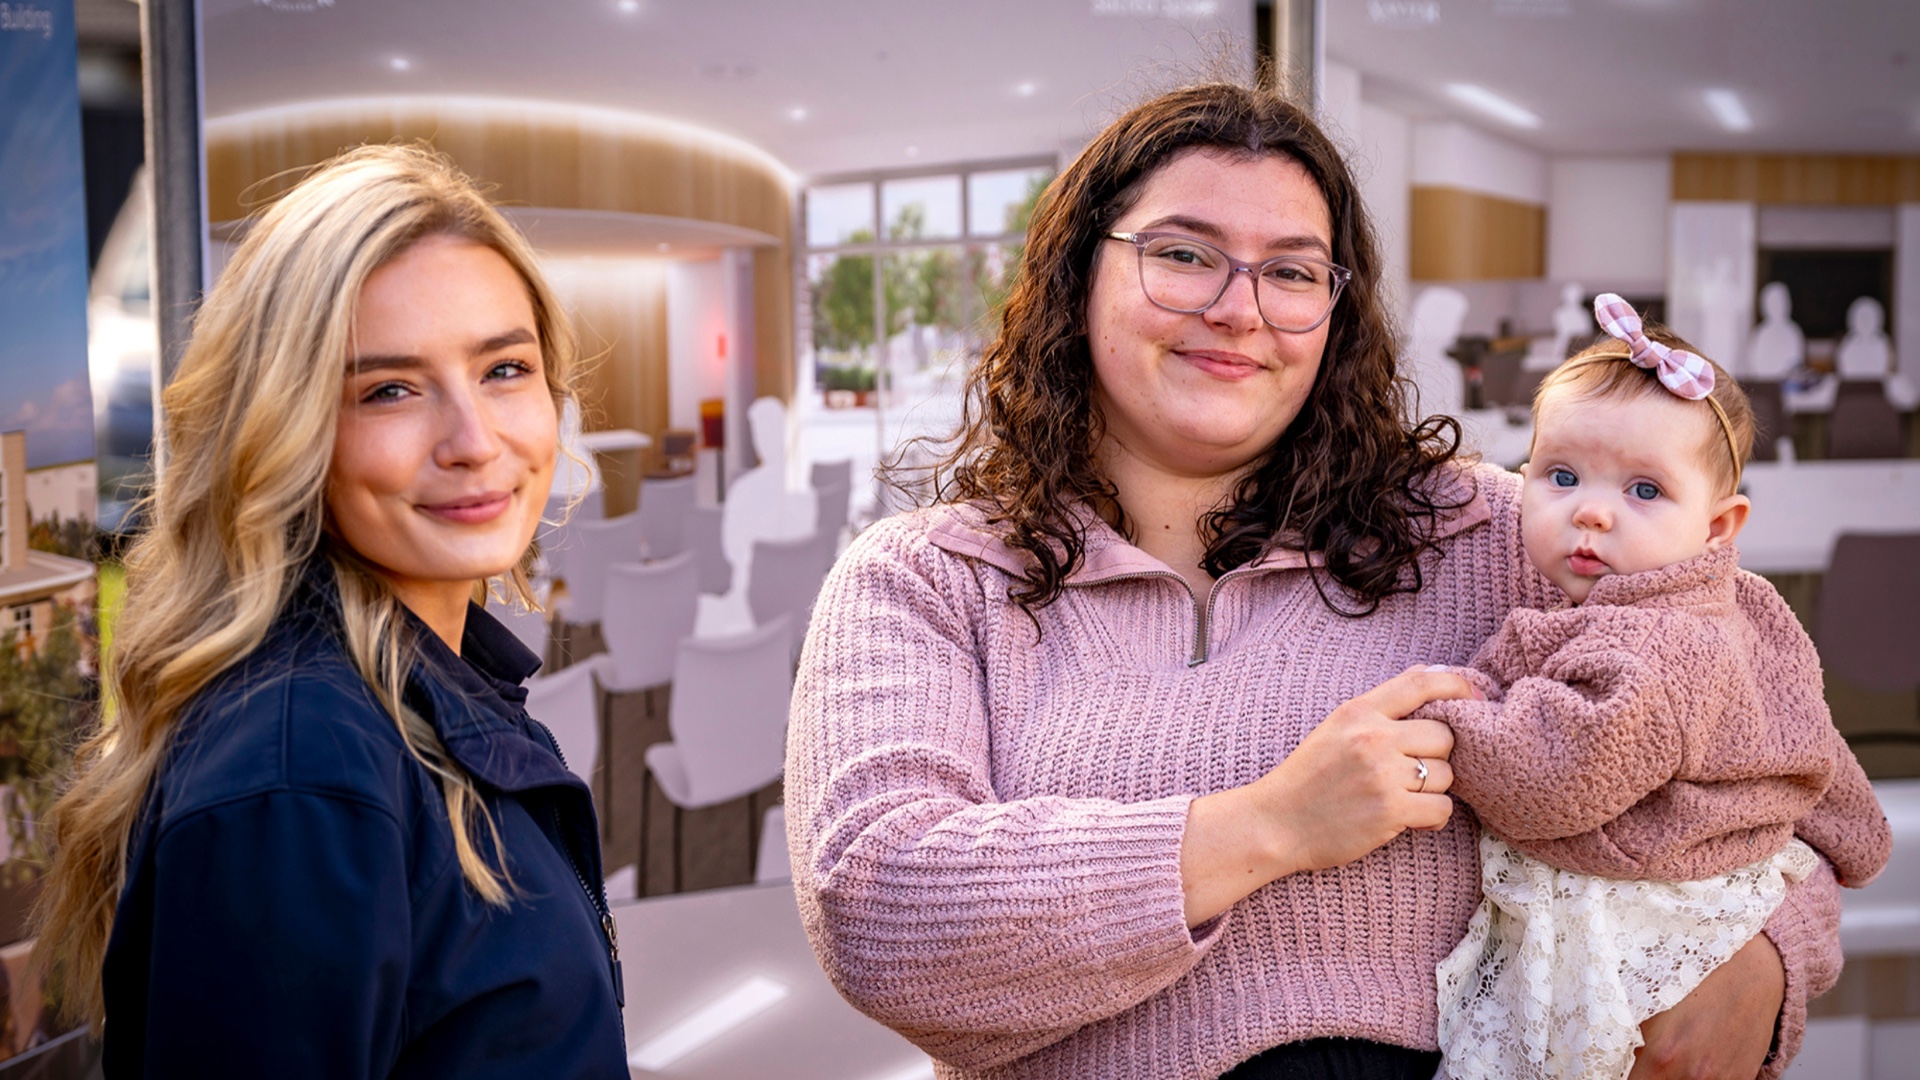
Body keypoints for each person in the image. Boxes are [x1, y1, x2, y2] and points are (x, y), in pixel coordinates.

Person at [786, 83, 1850, 1080]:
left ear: (1335, 315)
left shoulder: (1500, 531)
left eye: (1293, 272)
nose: (1240, 309)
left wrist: (1769, 963)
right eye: (1186, 254)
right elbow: (879, 909)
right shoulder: (927, 579)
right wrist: (1274, 825)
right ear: (1077, 278)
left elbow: (1764, 741)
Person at [34, 145, 630, 1078]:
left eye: (504, 370)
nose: (475, 442)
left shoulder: (437, 680)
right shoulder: (299, 772)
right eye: (388, 390)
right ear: (285, 427)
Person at [1423, 295, 1889, 1079]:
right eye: (1561, 476)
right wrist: (1857, 840)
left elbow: (1554, 776)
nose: (1593, 513)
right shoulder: (1751, 609)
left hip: (1638, 924)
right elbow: (1815, 748)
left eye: (1644, 491)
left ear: (1717, 527)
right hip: (1717, 902)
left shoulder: (1653, 648)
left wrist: (1448, 715)